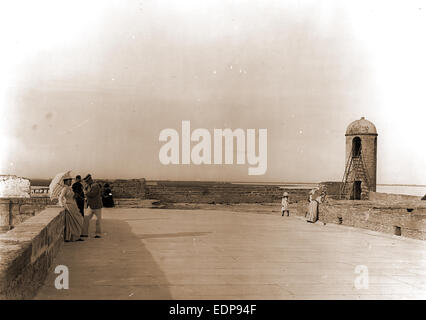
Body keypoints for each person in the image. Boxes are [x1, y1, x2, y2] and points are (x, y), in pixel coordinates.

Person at [58, 175, 84, 242]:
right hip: (69, 206)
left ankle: (75, 236)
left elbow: (71, 197)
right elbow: (60, 197)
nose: (71, 181)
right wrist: (62, 205)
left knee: (76, 221)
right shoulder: (65, 189)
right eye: (69, 180)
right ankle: (74, 237)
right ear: (66, 181)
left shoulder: (69, 188)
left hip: (73, 205)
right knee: (75, 221)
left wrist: (75, 196)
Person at [81, 174, 103, 238]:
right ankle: (84, 233)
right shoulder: (88, 186)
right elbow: (87, 195)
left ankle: (98, 234)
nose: (86, 182)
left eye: (87, 181)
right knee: (86, 219)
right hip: (90, 206)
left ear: (90, 179)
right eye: (85, 182)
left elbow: (92, 194)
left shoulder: (95, 185)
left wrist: (85, 192)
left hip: (97, 206)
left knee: (98, 220)